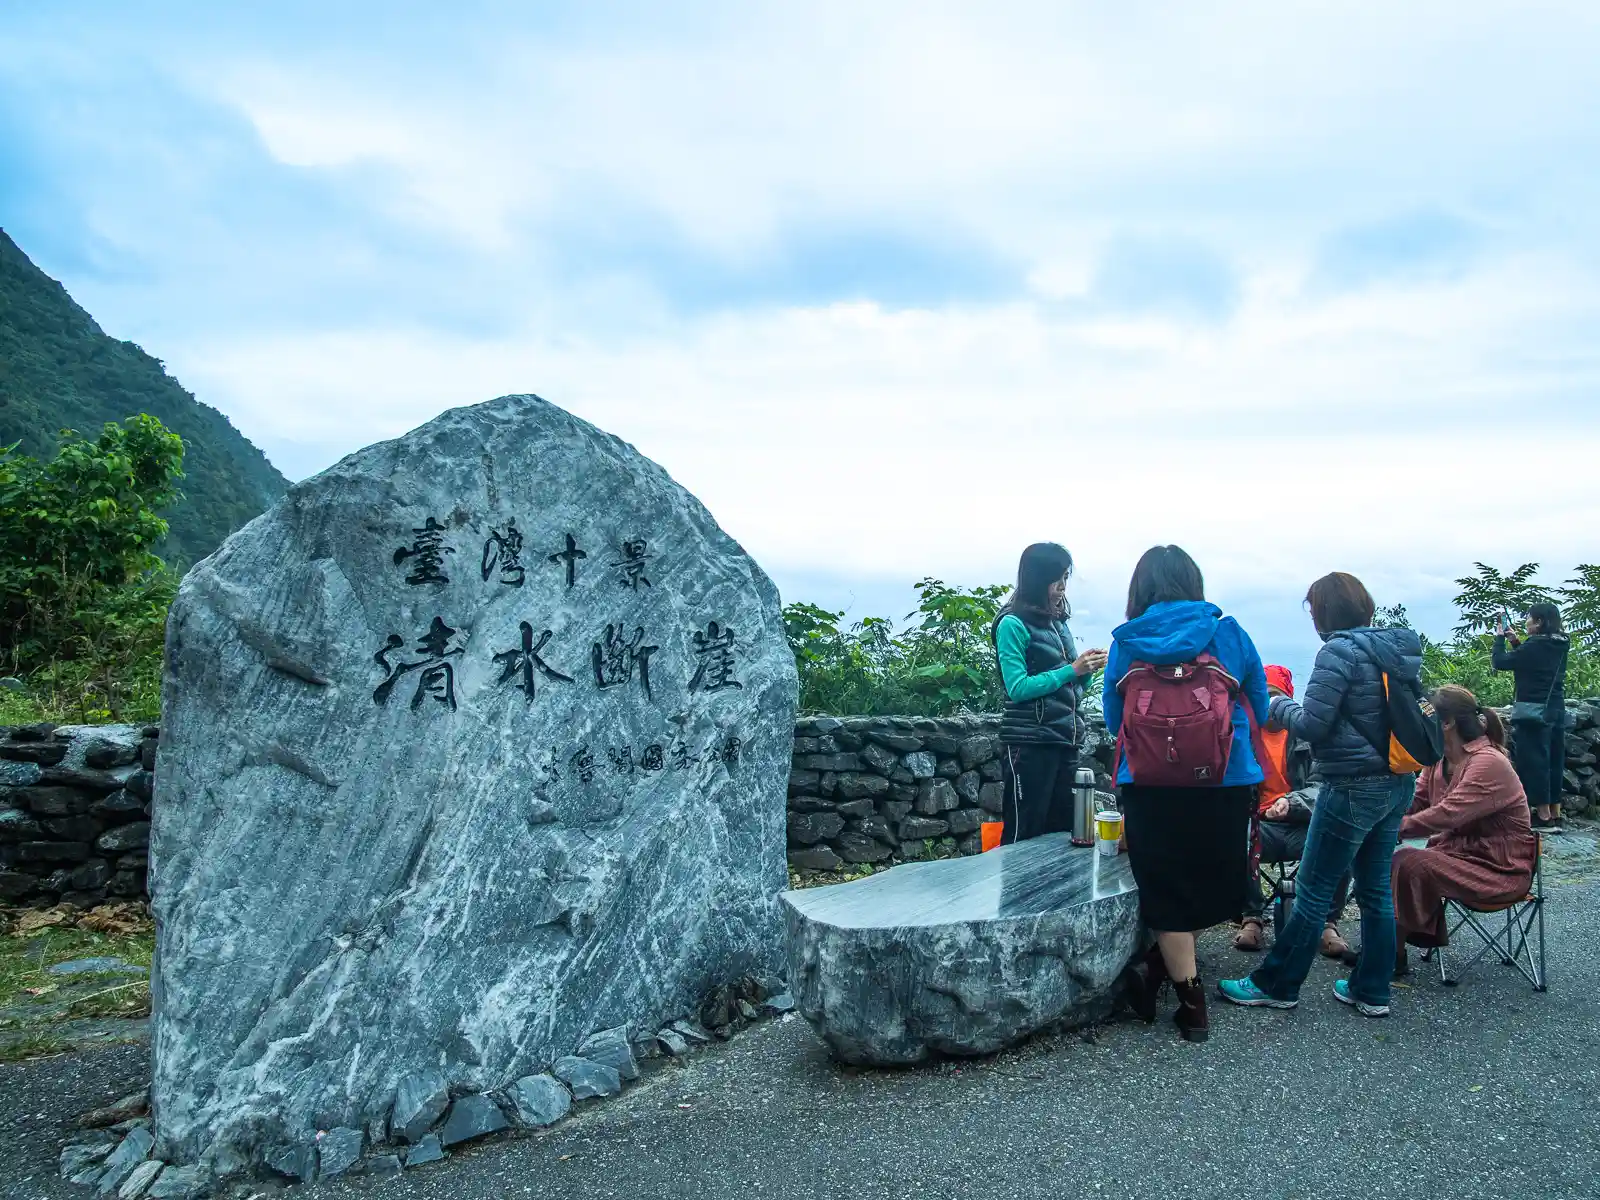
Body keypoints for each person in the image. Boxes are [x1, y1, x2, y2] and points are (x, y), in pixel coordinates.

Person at [1220, 572, 1421, 1020]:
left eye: (1313, 611)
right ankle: (1371, 990)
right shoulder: (1396, 649)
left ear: (1323, 613)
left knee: (1311, 890)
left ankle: (1276, 984)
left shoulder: (1338, 652)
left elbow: (1312, 725)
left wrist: (1273, 706)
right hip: (1397, 780)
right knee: (1375, 892)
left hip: (1350, 784)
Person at [1103, 545, 1269, 1044]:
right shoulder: (1229, 632)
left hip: (1149, 783)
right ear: (1193, 582)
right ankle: (1177, 983)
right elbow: (1258, 704)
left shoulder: (1127, 641)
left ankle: (1185, 997)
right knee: (1212, 881)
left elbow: (1116, 722)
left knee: (1166, 889)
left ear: (1141, 587)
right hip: (1223, 777)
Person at [1392, 685, 1537, 973]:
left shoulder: (1488, 763)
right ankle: (1388, 948)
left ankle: (1388, 954)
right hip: (1458, 857)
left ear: (1446, 723)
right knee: (1383, 859)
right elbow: (1415, 802)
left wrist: (1394, 830)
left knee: (1406, 860)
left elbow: (1447, 815)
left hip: (1499, 868)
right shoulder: (1437, 760)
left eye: (1426, 717)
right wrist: (1378, 819)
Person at [990, 543, 1108, 844]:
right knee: (1024, 833)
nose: (1063, 588)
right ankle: (1018, 893)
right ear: (1038, 578)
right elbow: (1017, 687)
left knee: (1063, 834)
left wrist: (1087, 668)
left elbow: (1074, 687)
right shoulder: (1012, 624)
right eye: (1058, 579)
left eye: (1066, 578)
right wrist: (1072, 670)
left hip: (1064, 740)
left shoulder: (1058, 622)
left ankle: (1060, 893)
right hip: (1029, 743)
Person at [1234, 664, 1352, 958]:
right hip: (1262, 826)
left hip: (1304, 824)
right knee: (1236, 836)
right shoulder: (1243, 736)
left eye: (1276, 697)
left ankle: (1327, 923)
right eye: (1264, 696)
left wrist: (1294, 802)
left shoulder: (1311, 737)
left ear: (1288, 700)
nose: (1269, 705)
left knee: (1340, 838)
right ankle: (1252, 918)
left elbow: (1325, 786)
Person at [1493, 601, 1571, 832]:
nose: (1526, 621)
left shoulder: (1534, 646)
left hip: (1533, 710)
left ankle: (1543, 815)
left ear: (1538, 622)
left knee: (1534, 761)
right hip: (1556, 708)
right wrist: (1516, 641)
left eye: (1529, 618)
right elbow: (1533, 663)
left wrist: (1499, 639)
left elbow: (1501, 662)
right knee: (1554, 760)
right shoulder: (1560, 643)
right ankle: (1555, 812)